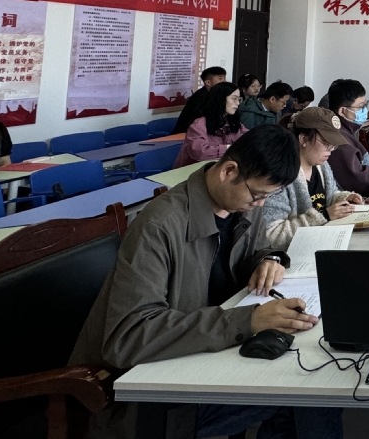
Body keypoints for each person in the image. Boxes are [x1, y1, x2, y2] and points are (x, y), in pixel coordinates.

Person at [70, 125, 341, 439]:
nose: (260, 204)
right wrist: (247, 320)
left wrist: (270, 259)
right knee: (302, 392)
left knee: (314, 375)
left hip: (206, 353)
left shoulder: (242, 205)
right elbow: (129, 337)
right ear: (228, 171)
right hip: (145, 394)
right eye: (258, 195)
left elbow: (257, 248)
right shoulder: (160, 226)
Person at [262, 108, 361, 249]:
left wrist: (344, 199)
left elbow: (329, 197)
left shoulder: (322, 166)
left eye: (333, 144)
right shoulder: (279, 175)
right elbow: (272, 235)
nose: (331, 149)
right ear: (303, 139)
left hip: (322, 242)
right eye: (326, 142)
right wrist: (323, 216)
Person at [174, 81, 248, 168]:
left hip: (218, 168)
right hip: (192, 170)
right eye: (234, 98)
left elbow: (249, 138)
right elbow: (199, 152)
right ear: (220, 99)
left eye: (239, 99)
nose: (238, 103)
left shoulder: (233, 122)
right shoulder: (199, 124)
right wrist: (229, 148)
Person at [170, 65, 227, 135]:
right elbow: (201, 120)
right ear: (208, 82)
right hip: (187, 134)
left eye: (224, 78)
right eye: (220, 78)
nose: (224, 81)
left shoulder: (217, 95)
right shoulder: (199, 98)